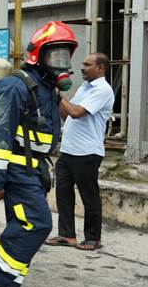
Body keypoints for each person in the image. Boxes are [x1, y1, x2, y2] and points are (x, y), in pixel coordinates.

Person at [0, 21, 78, 287]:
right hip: (17, 168)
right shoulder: (15, 86)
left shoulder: (47, 89)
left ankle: (11, 279)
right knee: (37, 224)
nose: (61, 63)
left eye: (65, 56)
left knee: (21, 222)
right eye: (54, 55)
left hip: (35, 170)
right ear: (37, 55)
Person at [45, 53, 114, 251]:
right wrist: (55, 94)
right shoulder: (85, 87)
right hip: (68, 151)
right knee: (63, 194)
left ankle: (94, 238)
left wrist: (59, 94)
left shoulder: (102, 90)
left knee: (89, 196)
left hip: (87, 152)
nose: (82, 67)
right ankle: (67, 235)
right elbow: (66, 113)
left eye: (87, 64)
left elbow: (76, 113)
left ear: (100, 68)